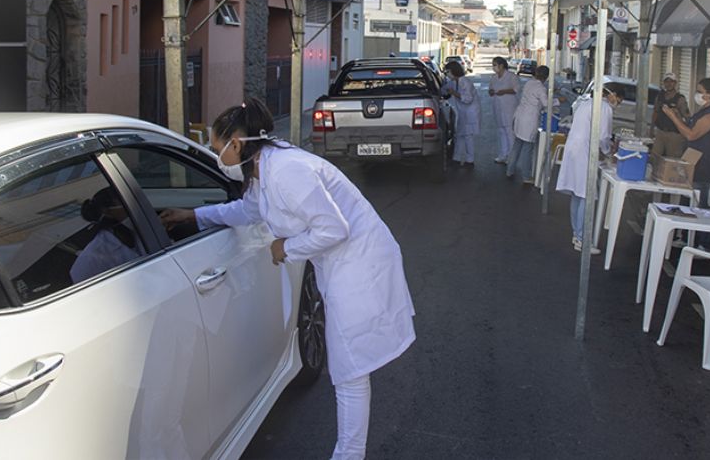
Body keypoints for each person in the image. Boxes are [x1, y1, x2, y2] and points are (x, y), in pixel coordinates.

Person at [160, 99, 415, 460]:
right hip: (341, 264)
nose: (217, 159)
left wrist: (286, 248)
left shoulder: (287, 170)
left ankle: (349, 455)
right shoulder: (265, 166)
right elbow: (249, 209)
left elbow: (334, 228)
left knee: (349, 369)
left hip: (360, 264)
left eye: (217, 150)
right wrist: (195, 215)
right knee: (349, 365)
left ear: (237, 144)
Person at [556, 82, 624, 254]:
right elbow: (603, 136)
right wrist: (608, 152)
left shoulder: (586, 102)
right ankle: (582, 239)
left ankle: (576, 234)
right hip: (584, 152)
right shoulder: (604, 107)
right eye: (619, 100)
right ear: (613, 95)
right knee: (586, 195)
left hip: (574, 148)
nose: (617, 103)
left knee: (577, 193)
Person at [662, 78, 710, 208]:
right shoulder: (703, 111)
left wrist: (672, 117)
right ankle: (683, 227)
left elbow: (692, 135)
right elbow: (688, 128)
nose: (696, 95)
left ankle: (696, 228)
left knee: (697, 204)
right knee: (686, 201)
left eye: (699, 91)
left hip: (704, 164)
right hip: (694, 160)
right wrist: (678, 116)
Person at [70, 187, 143, 283]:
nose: (131, 205)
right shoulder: (93, 256)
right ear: (108, 212)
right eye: (123, 203)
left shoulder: (138, 227)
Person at [507, 65, 550, 184]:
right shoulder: (541, 88)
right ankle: (526, 176)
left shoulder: (529, 83)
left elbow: (533, 98)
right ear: (546, 77)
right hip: (529, 120)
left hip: (520, 116)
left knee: (517, 145)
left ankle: (510, 170)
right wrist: (556, 100)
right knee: (527, 149)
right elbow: (546, 104)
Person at [443, 60, 480, 167]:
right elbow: (444, 89)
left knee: (467, 136)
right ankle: (457, 158)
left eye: (448, 72)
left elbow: (468, 99)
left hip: (470, 113)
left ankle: (470, 160)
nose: (447, 74)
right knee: (459, 135)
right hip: (463, 113)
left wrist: (455, 93)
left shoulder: (465, 82)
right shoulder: (455, 82)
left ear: (454, 71)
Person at [488, 56, 521, 164]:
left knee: (509, 132)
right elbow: (490, 89)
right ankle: (503, 154)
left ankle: (511, 157)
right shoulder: (494, 77)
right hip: (498, 106)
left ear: (501, 65)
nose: (493, 67)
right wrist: (491, 92)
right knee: (501, 131)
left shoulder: (512, 76)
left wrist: (504, 91)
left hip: (509, 107)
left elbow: (516, 89)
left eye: (495, 65)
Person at [650, 71, 690, 158]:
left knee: (672, 160)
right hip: (660, 132)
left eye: (671, 81)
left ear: (675, 83)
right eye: (666, 81)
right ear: (664, 83)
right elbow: (655, 112)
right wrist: (651, 129)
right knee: (654, 157)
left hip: (674, 134)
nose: (669, 84)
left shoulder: (680, 99)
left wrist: (677, 115)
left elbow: (687, 118)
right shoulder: (660, 97)